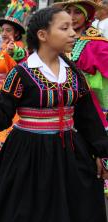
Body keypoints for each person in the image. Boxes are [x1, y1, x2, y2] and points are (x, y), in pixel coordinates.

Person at [0, 7, 108, 222]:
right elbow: (1, 118)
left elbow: (88, 117)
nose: (74, 33)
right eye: (64, 28)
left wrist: (101, 152)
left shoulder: (73, 72)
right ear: (42, 35)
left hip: (69, 153)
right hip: (28, 155)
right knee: (25, 217)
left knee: (69, 214)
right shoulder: (22, 73)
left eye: (72, 27)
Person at [54, 0, 108, 198]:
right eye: (68, 11)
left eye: (78, 12)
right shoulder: (56, 38)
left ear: (88, 15)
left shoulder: (95, 43)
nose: (72, 16)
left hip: (86, 106)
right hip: (57, 104)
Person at [0, 0, 33, 155]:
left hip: (11, 94)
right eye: (2, 30)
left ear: (16, 33)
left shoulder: (18, 48)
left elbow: (21, 57)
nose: (3, 33)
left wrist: (13, 50)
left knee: (9, 137)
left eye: (8, 30)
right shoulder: (1, 49)